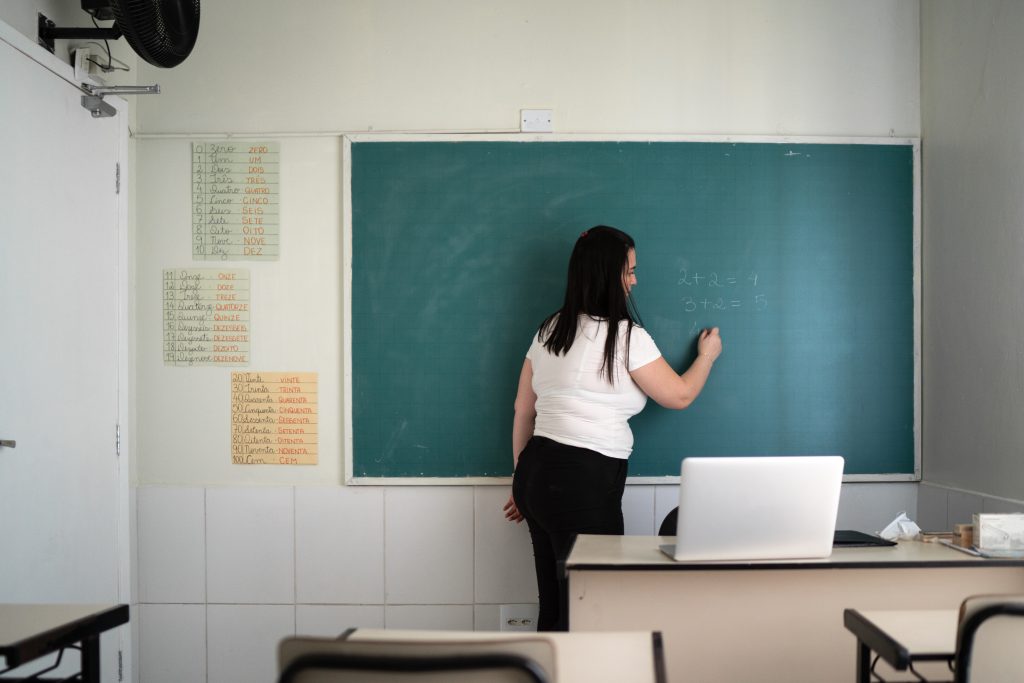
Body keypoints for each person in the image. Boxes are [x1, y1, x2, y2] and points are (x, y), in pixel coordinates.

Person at [502, 225, 722, 631]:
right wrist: (707, 356)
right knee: (592, 610)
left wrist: (520, 479)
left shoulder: (549, 329)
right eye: (630, 271)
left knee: (553, 605)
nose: (635, 280)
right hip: (580, 482)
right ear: (608, 274)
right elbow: (679, 395)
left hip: (535, 473)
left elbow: (522, 410)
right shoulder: (626, 337)